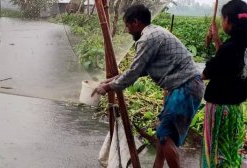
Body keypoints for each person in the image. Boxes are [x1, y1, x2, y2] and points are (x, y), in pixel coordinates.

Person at [92, 4, 204, 168]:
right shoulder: (155, 32)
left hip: (185, 87)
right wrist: (110, 81)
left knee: (165, 136)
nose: (127, 30)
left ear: (136, 22)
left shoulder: (148, 38)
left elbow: (134, 72)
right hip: (184, 86)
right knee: (163, 134)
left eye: (128, 25)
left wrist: (107, 88)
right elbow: (141, 70)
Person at [202, 0, 247, 167]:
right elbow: (230, 64)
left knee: (216, 153)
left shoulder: (229, 48)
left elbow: (207, 74)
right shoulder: (241, 45)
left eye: (222, 19)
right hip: (236, 109)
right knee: (229, 150)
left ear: (228, 20)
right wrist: (216, 40)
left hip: (220, 110)